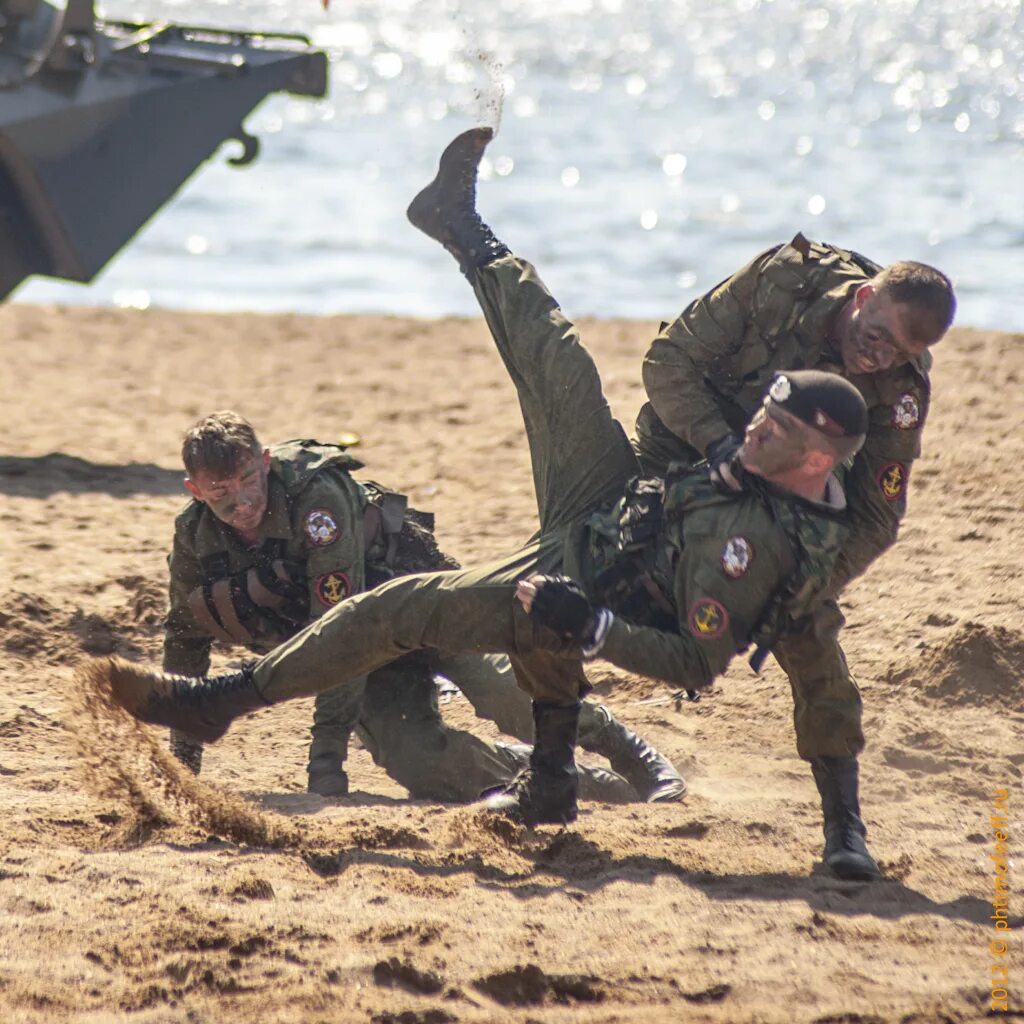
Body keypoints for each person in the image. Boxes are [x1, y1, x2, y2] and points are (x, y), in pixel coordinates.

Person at [90, 129, 867, 877]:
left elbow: (707, 662)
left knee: (432, 633)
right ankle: (463, 227)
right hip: (609, 501)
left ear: (814, 459)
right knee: (555, 362)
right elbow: (670, 369)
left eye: (769, 432)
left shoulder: (776, 553)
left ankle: (234, 704)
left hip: (583, 579)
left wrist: (843, 834)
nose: (745, 433)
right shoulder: (743, 451)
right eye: (757, 419)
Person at [634, 233, 955, 878]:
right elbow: (668, 364)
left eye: (901, 350)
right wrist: (723, 447)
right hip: (684, 454)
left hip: (786, 500)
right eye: (877, 334)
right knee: (589, 569)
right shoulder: (786, 281)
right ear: (864, 297)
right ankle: (554, 769)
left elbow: (875, 516)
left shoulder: (900, 390)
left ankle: (845, 828)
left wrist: (798, 584)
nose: (880, 356)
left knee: (810, 631)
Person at [162, 411, 685, 804]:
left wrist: (327, 761)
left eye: (250, 480)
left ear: (266, 464)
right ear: (194, 491)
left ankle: (625, 747)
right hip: (359, 654)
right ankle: (577, 780)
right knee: (421, 765)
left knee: (507, 696)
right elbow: (185, 644)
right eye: (221, 492)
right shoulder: (195, 537)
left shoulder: (315, 497)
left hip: (426, 603)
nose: (244, 502)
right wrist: (183, 766)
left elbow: (339, 622)